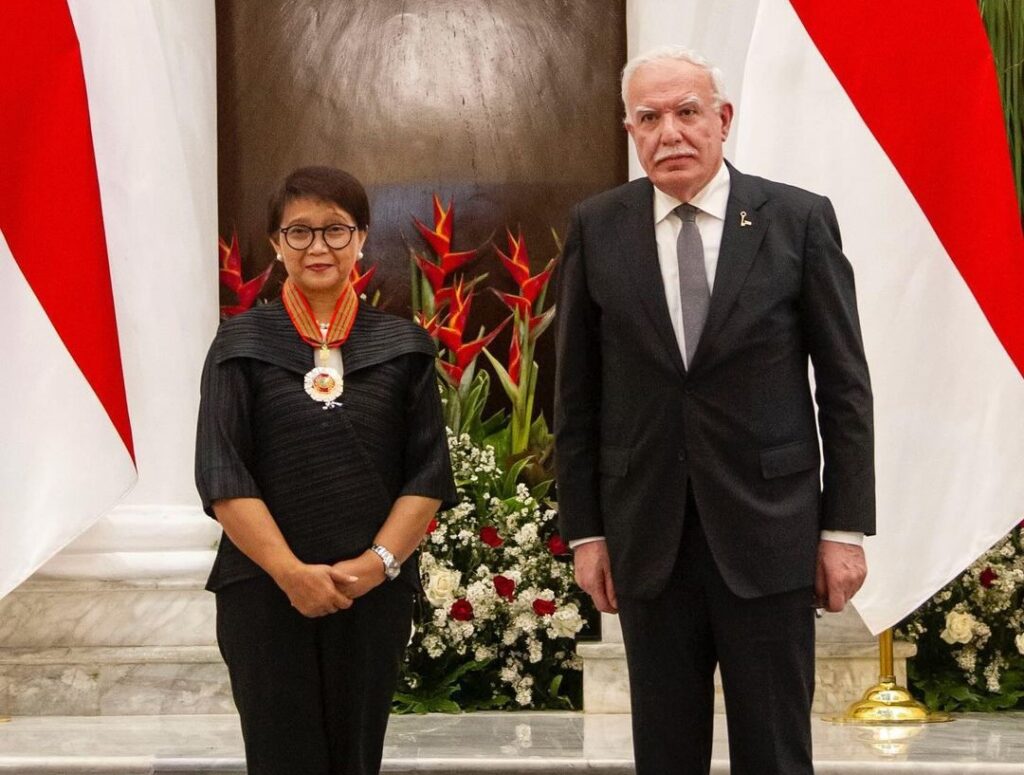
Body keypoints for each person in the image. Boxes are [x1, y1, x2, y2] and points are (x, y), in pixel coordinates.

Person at [554, 47, 875, 774]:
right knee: (665, 754)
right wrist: (585, 532)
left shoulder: (797, 220)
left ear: (723, 119)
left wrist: (844, 527)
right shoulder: (597, 227)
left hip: (771, 534)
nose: (669, 132)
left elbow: (845, 387)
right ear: (630, 130)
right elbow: (575, 398)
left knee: (776, 752)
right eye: (649, 117)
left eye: (687, 112)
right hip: (647, 538)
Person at [195, 166, 456, 775]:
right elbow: (222, 472)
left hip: (371, 598)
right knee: (281, 758)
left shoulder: (403, 346)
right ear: (276, 243)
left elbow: (426, 475)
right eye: (301, 232)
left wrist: (375, 567)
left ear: (362, 238)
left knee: (356, 758)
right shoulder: (239, 343)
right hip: (263, 593)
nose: (319, 247)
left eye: (336, 230)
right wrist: (291, 574)